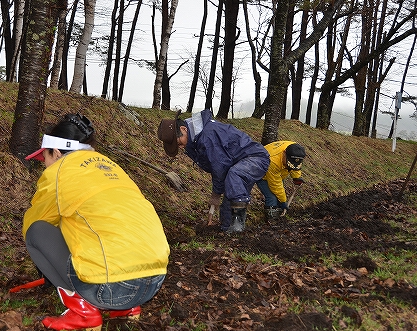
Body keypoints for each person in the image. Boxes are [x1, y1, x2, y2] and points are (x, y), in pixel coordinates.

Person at [23, 113, 170, 331]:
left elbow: (36, 224)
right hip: (153, 282)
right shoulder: (111, 167)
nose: (44, 165)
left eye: (44, 158)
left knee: (36, 231)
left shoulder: (59, 172)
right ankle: (126, 309)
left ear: (55, 152)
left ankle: (83, 313)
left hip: (111, 288)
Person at [157, 109, 270, 233]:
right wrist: (217, 193)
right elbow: (217, 166)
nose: (181, 147)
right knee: (231, 190)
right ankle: (228, 231)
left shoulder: (208, 136)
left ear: (184, 129)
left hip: (255, 158)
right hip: (236, 163)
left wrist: (215, 195)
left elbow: (219, 166)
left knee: (234, 176)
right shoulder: (194, 139)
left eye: (179, 143)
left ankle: (238, 226)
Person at [256, 141, 306, 221]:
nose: (288, 166)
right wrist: (283, 201)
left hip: (278, 172)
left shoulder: (296, 150)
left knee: (279, 196)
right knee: (272, 197)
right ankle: (272, 220)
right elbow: (275, 185)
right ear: (284, 154)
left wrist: (296, 177)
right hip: (261, 172)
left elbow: (296, 165)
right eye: (288, 163)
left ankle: (279, 213)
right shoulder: (272, 160)